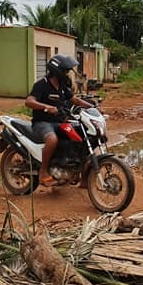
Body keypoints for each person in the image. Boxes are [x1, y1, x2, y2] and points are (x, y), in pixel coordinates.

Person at [23, 54, 93, 186]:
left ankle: (80, 175)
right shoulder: (41, 84)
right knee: (52, 139)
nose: (67, 74)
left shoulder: (62, 86)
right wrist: (46, 107)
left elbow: (75, 100)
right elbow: (29, 101)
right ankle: (43, 172)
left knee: (80, 138)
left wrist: (93, 107)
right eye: (65, 71)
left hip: (59, 122)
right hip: (42, 123)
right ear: (57, 71)